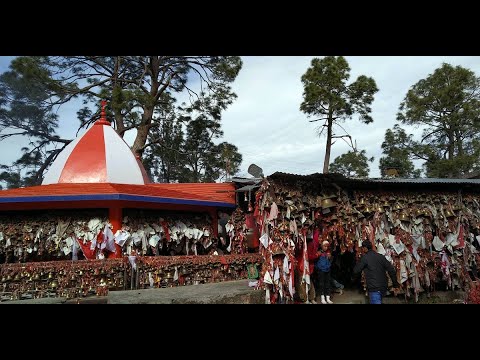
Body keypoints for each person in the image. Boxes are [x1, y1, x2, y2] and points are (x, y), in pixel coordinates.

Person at [353, 240, 400, 304]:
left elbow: (356, 271)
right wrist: (395, 284)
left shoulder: (365, 258)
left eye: (362, 248)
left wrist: (359, 260)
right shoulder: (381, 257)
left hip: (374, 287)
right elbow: (391, 269)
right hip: (383, 286)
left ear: (365, 248)